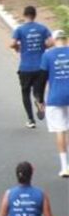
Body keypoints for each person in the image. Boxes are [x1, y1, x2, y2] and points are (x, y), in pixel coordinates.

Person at [11, 6, 53, 128]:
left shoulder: (20, 29)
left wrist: (17, 48)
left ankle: (30, 119)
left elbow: (13, 43)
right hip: (40, 67)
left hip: (25, 67)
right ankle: (39, 101)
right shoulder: (42, 28)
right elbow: (51, 42)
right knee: (38, 90)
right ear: (35, 15)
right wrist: (43, 47)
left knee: (25, 92)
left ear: (24, 15)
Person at [40, 30, 69, 177]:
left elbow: (42, 79)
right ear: (66, 39)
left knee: (60, 130)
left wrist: (40, 100)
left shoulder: (48, 55)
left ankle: (65, 166)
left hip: (55, 97)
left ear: (54, 39)